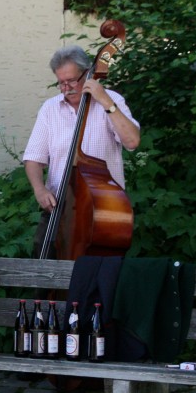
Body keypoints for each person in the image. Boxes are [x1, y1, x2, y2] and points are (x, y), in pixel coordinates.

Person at [23, 45, 141, 256]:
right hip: (60, 209)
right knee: (43, 269)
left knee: (101, 273)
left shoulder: (112, 100)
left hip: (103, 210)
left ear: (87, 74)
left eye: (71, 81)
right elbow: (33, 158)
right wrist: (40, 190)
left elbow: (132, 141)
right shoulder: (50, 109)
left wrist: (104, 100)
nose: (66, 88)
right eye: (61, 83)